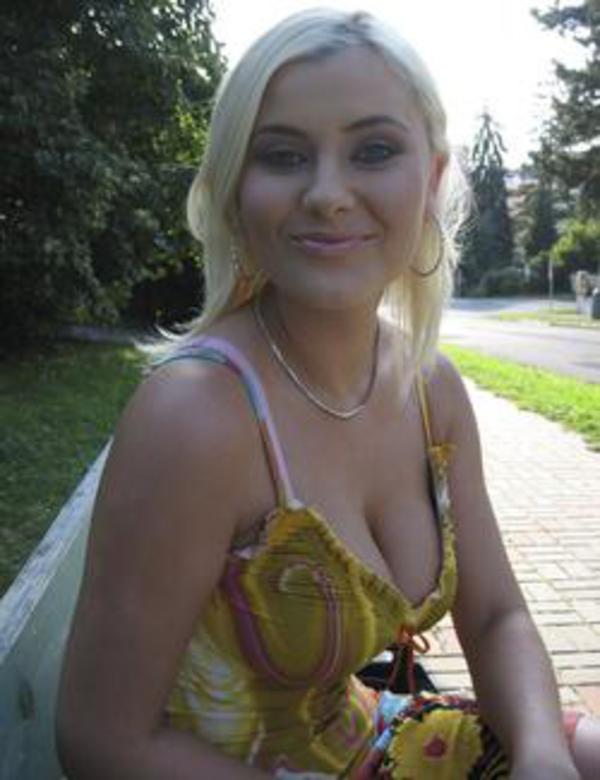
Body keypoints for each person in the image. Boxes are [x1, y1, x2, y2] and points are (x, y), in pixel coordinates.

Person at [56, 8, 600, 778]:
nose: (328, 194)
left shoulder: (430, 389)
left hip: (372, 738)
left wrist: (543, 757)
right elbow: (102, 740)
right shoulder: (196, 418)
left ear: (431, 178)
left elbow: (495, 614)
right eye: (283, 156)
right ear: (234, 190)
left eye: (374, 150)